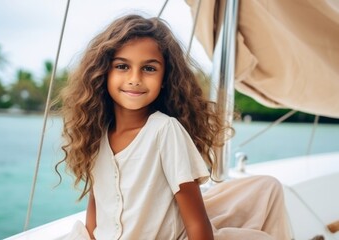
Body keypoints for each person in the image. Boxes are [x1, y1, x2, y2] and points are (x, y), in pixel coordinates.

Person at [57, 14, 291, 240]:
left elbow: (196, 221)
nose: (135, 78)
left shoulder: (165, 130)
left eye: (149, 68)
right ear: (103, 72)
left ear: (165, 78)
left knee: (266, 190)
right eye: (122, 66)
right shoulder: (97, 133)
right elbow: (97, 207)